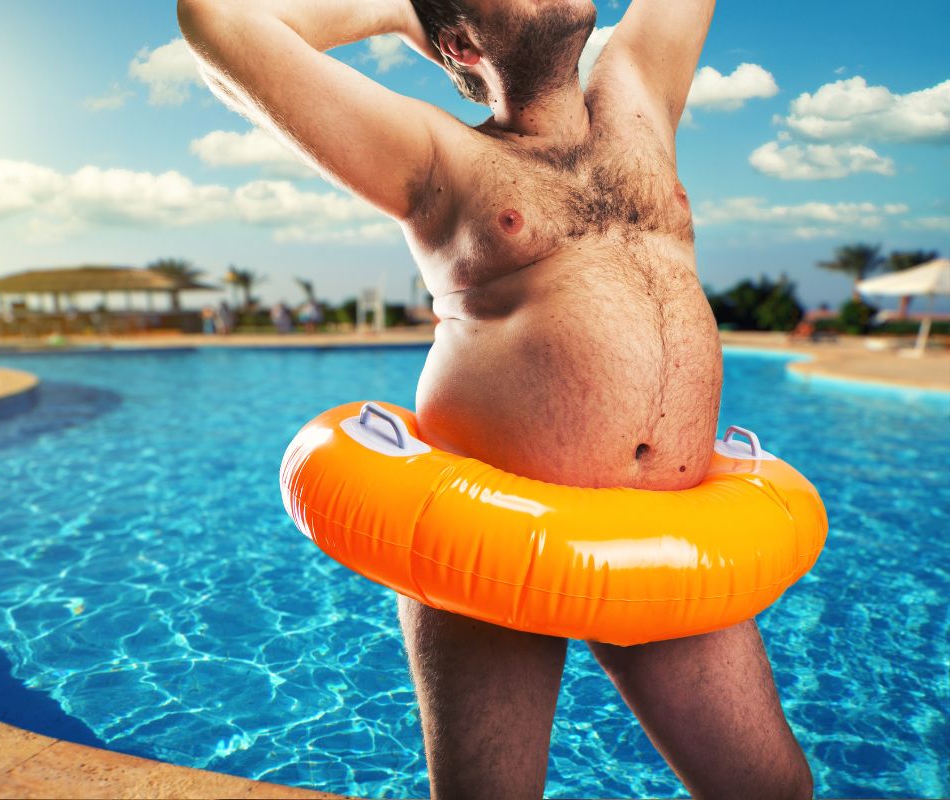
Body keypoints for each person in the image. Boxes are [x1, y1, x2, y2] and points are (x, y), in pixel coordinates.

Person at [179, 1, 813, 797]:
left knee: (773, 790)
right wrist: (400, 14)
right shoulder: (436, 153)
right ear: (461, 41)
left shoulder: (639, 93)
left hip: (668, 536)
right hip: (489, 540)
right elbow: (219, 18)